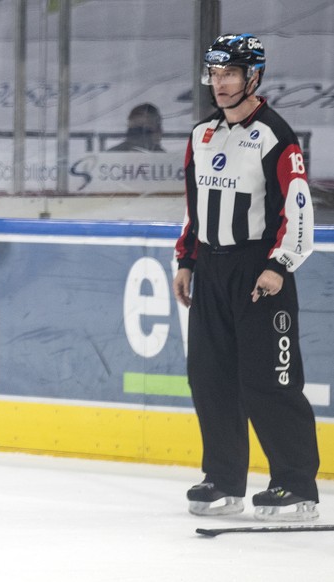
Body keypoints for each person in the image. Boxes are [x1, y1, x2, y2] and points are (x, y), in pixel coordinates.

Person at [172, 33, 319, 522]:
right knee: (209, 378)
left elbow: (297, 208)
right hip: (211, 270)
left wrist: (279, 265)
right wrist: (187, 260)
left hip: (259, 271)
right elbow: (195, 208)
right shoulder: (202, 135)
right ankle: (223, 479)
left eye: (230, 73)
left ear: (253, 76)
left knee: (270, 382)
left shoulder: (278, 136)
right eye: (214, 74)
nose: (220, 84)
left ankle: (296, 486)